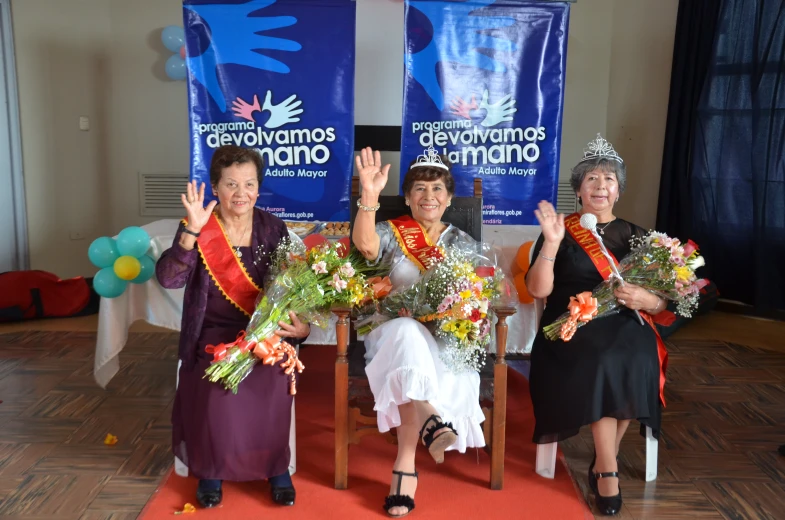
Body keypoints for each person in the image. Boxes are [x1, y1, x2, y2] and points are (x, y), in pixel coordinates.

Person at [155, 145, 310, 508]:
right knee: (216, 382)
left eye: (249, 184)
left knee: (273, 378)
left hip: (263, 331)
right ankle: (211, 468)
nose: (241, 194)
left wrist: (299, 328)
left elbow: (294, 286)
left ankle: (276, 468)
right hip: (211, 333)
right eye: (230, 184)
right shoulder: (198, 226)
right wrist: (191, 232)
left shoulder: (272, 227)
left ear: (259, 187)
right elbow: (168, 279)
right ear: (215, 187)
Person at [526, 134, 667, 516]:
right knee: (605, 357)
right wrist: (553, 244)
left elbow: (663, 298)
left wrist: (648, 300)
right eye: (591, 179)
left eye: (608, 179)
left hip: (624, 321)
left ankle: (605, 462)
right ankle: (607, 468)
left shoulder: (638, 237)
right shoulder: (560, 229)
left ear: (618, 191)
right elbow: (538, 289)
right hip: (569, 325)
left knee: (635, 352)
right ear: (579, 190)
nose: (600, 186)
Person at [352, 146, 486, 518]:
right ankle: (427, 423)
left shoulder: (463, 244)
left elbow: (476, 296)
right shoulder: (390, 232)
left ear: (448, 199)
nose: (429, 196)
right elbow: (364, 247)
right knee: (408, 334)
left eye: (437, 189)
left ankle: (405, 465)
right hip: (389, 333)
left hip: (442, 339)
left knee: (420, 352)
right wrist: (369, 193)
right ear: (409, 197)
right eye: (421, 189)